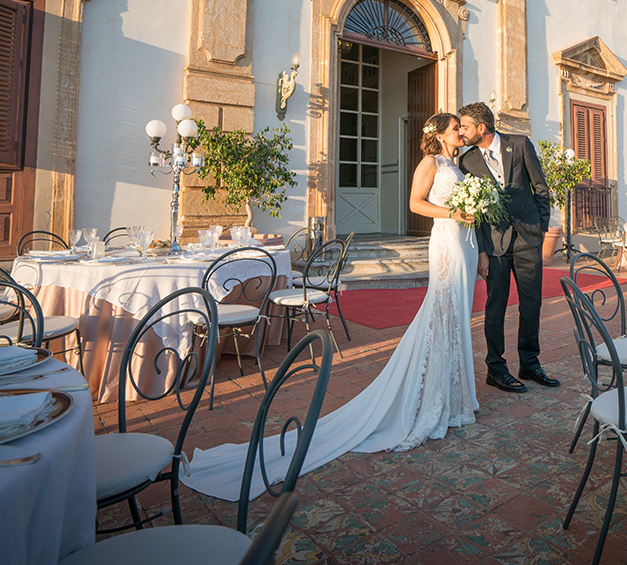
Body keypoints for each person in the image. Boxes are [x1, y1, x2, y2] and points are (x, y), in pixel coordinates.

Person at [182, 112, 482, 500]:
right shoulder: (430, 162)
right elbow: (415, 204)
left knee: (456, 315)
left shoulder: (454, 163)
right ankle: (435, 396)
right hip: (447, 238)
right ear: (440, 133)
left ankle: (454, 395)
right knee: (443, 312)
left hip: (464, 241)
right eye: (456, 127)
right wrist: (453, 212)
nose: (461, 131)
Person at [457, 101, 557, 393]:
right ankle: (496, 369)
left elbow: (541, 188)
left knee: (531, 305)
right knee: (495, 307)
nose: (462, 132)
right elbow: (472, 212)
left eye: (465, 126)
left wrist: (540, 227)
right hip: (495, 245)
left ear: (481, 127)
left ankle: (529, 363)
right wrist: (482, 252)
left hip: (528, 240)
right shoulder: (468, 162)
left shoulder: (520, 144)